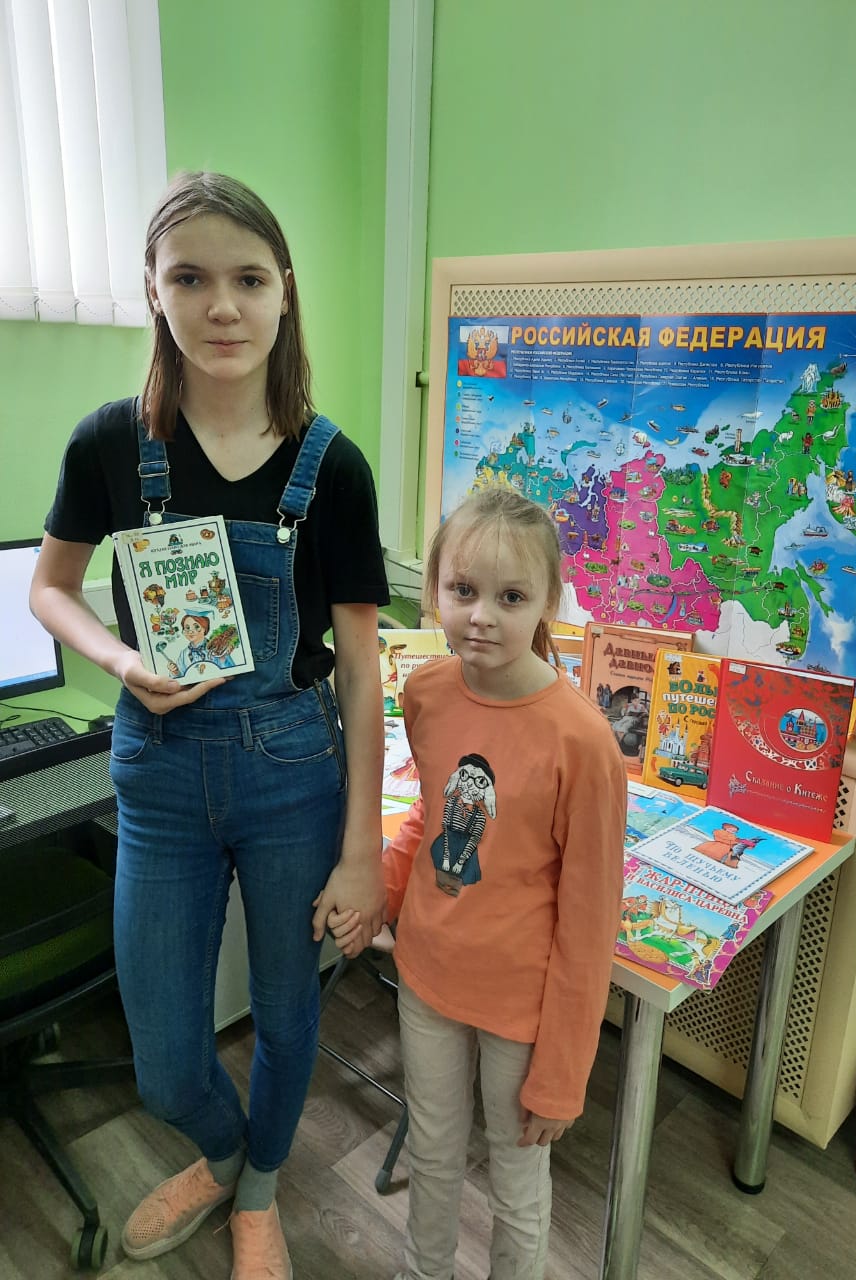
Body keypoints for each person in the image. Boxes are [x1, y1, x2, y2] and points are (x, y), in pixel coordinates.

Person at [29, 171, 390, 1279]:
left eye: (248, 279)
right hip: (158, 774)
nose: (222, 306)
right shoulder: (109, 444)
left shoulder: (334, 466)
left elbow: (362, 670)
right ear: (153, 289)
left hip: (295, 772)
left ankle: (260, 1196)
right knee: (164, 1055)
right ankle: (226, 1153)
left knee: (286, 1012)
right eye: (190, 278)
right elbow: (50, 589)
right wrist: (119, 659)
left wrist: (364, 850)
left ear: (285, 291)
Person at [330, 487, 627, 1280]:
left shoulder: (583, 743)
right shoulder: (426, 693)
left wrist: (562, 1072)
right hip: (428, 977)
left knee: (517, 1186)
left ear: (549, 603)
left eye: (511, 597)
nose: (482, 617)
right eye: (463, 590)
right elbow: (428, 823)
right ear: (433, 588)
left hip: (521, 1010)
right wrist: (380, 893)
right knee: (431, 1153)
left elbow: (590, 924)